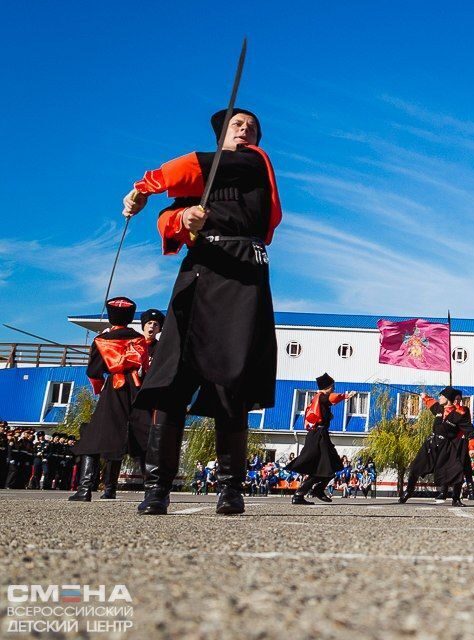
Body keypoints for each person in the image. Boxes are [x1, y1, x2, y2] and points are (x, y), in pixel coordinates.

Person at [122, 107, 281, 516]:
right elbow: (168, 218)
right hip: (199, 271)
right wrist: (183, 218)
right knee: (173, 378)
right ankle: (157, 486)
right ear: (221, 134)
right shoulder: (204, 182)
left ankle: (230, 488)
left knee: (232, 385)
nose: (244, 131)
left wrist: (144, 185)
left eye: (251, 128)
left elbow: (193, 168)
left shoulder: (252, 162)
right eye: (236, 125)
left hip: (242, 272)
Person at [69, 297, 151, 502]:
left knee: (95, 436)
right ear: (131, 316)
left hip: (114, 387)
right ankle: (153, 490)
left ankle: (85, 488)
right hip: (136, 388)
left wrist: (98, 387)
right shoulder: (139, 339)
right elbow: (145, 367)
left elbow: (94, 371)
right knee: (142, 435)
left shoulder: (101, 340)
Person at [397, 387, 474, 506]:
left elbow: (470, 430)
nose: (439, 398)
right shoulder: (439, 408)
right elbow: (431, 403)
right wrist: (424, 396)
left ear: (447, 399)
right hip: (432, 444)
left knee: (457, 471)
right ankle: (408, 492)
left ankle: (456, 499)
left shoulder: (459, 413)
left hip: (447, 447)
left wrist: (473, 446)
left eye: (441, 396)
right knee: (416, 467)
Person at [288, 374, 357, 505]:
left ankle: (317, 490)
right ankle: (301, 493)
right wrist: (344, 396)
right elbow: (332, 398)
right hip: (318, 436)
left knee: (334, 465)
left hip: (321, 434)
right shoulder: (321, 396)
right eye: (333, 386)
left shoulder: (319, 399)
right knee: (325, 467)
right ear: (328, 387)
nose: (334, 389)